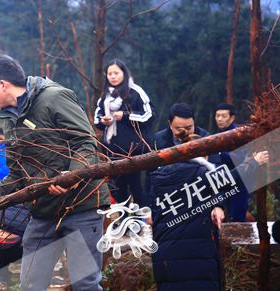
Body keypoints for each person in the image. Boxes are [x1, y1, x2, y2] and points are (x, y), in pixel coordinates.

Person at [0, 54, 110, 290]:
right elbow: (18, 174)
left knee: (85, 283)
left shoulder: (54, 97)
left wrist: (71, 177)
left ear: (3, 84)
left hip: (80, 205)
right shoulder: (10, 119)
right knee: (30, 283)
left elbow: (85, 142)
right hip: (43, 211)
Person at [148, 103, 224, 290]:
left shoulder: (207, 138)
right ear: (169, 124)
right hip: (170, 206)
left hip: (200, 207)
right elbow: (149, 179)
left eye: (189, 127)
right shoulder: (158, 139)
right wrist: (150, 208)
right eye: (178, 128)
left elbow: (217, 176)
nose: (184, 131)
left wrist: (218, 205)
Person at [94, 59, 154, 206]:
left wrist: (125, 116)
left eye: (116, 73)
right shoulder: (105, 96)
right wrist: (103, 121)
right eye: (109, 74)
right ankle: (123, 222)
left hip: (135, 151)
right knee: (119, 190)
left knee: (137, 188)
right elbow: (97, 118)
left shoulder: (135, 92)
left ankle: (143, 221)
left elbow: (149, 115)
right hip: (113, 151)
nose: (112, 76)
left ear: (124, 74)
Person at [215, 102, 250, 222]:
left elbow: (240, 158)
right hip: (223, 182)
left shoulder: (239, 134)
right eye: (217, 115)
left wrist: (218, 154)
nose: (219, 119)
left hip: (238, 183)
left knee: (237, 218)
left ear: (232, 117)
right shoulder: (218, 135)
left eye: (223, 116)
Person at [0, 203, 31, 288]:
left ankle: (2, 278)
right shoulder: (33, 205)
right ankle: (28, 280)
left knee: (3, 254)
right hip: (17, 249)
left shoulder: (2, 198)